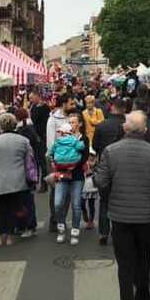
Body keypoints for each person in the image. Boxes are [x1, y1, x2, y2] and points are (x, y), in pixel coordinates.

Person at [94, 111, 150, 300]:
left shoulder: (110, 151)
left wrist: (109, 201)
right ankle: (143, 299)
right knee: (143, 257)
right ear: (145, 130)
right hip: (145, 215)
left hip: (120, 216)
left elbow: (101, 181)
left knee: (125, 264)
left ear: (125, 128)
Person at [0, 113, 30, 247]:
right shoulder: (23, 140)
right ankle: (10, 236)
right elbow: (29, 160)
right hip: (17, 179)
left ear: (0, 125)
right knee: (13, 207)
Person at [93, 98, 127, 245]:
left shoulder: (102, 126)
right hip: (124, 167)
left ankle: (103, 232)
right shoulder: (128, 125)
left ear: (112, 108)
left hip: (105, 167)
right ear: (124, 109)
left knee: (105, 201)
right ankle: (120, 232)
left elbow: (95, 146)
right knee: (123, 200)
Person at [51, 117, 87, 245]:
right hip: (62, 174)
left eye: (73, 122)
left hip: (77, 175)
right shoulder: (59, 140)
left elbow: (85, 155)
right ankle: (61, 227)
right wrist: (54, 162)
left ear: (79, 124)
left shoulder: (82, 138)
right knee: (57, 203)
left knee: (76, 205)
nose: (71, 124)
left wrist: (73, 165)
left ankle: (75, 230)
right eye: (69, 122)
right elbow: (51, 153)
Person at [45, 94, 76, 231]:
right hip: (57, 161)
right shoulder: (53, 120)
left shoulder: (73, 118)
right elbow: (50, 142)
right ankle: (55, 219)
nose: (73, 106)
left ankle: (61, 218)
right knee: (57, 190)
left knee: (68, 190)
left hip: (72, 160)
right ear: (63, 104)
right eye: (71, 103)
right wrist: (54, 160)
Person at [15, 108, 40, 238]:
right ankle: (27, 225)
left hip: (25, 170)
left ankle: (28, 225)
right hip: (30, 169)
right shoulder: (30, 128)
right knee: (26, 199)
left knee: (25, 200)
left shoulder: (23, 131)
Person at [29, 91, 50, 189]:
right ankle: (34, 181)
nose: (30, 100)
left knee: (42, 161)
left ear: (37, 97)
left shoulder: (44, 108)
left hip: (41, 137)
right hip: (34, 137)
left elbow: (36, 119)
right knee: (34, 161)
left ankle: (44, 183)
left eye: (32, 98)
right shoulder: (33, 107)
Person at [82, 149, 99, 229]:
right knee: (81, 203)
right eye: (89, 155)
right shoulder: (82, 163)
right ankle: (84, 213)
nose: (90, 157)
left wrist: (93, 171)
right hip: (83, 186)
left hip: (92, 187)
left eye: (92, 156)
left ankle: (91, 221)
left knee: (91, 204)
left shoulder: (97, 165)